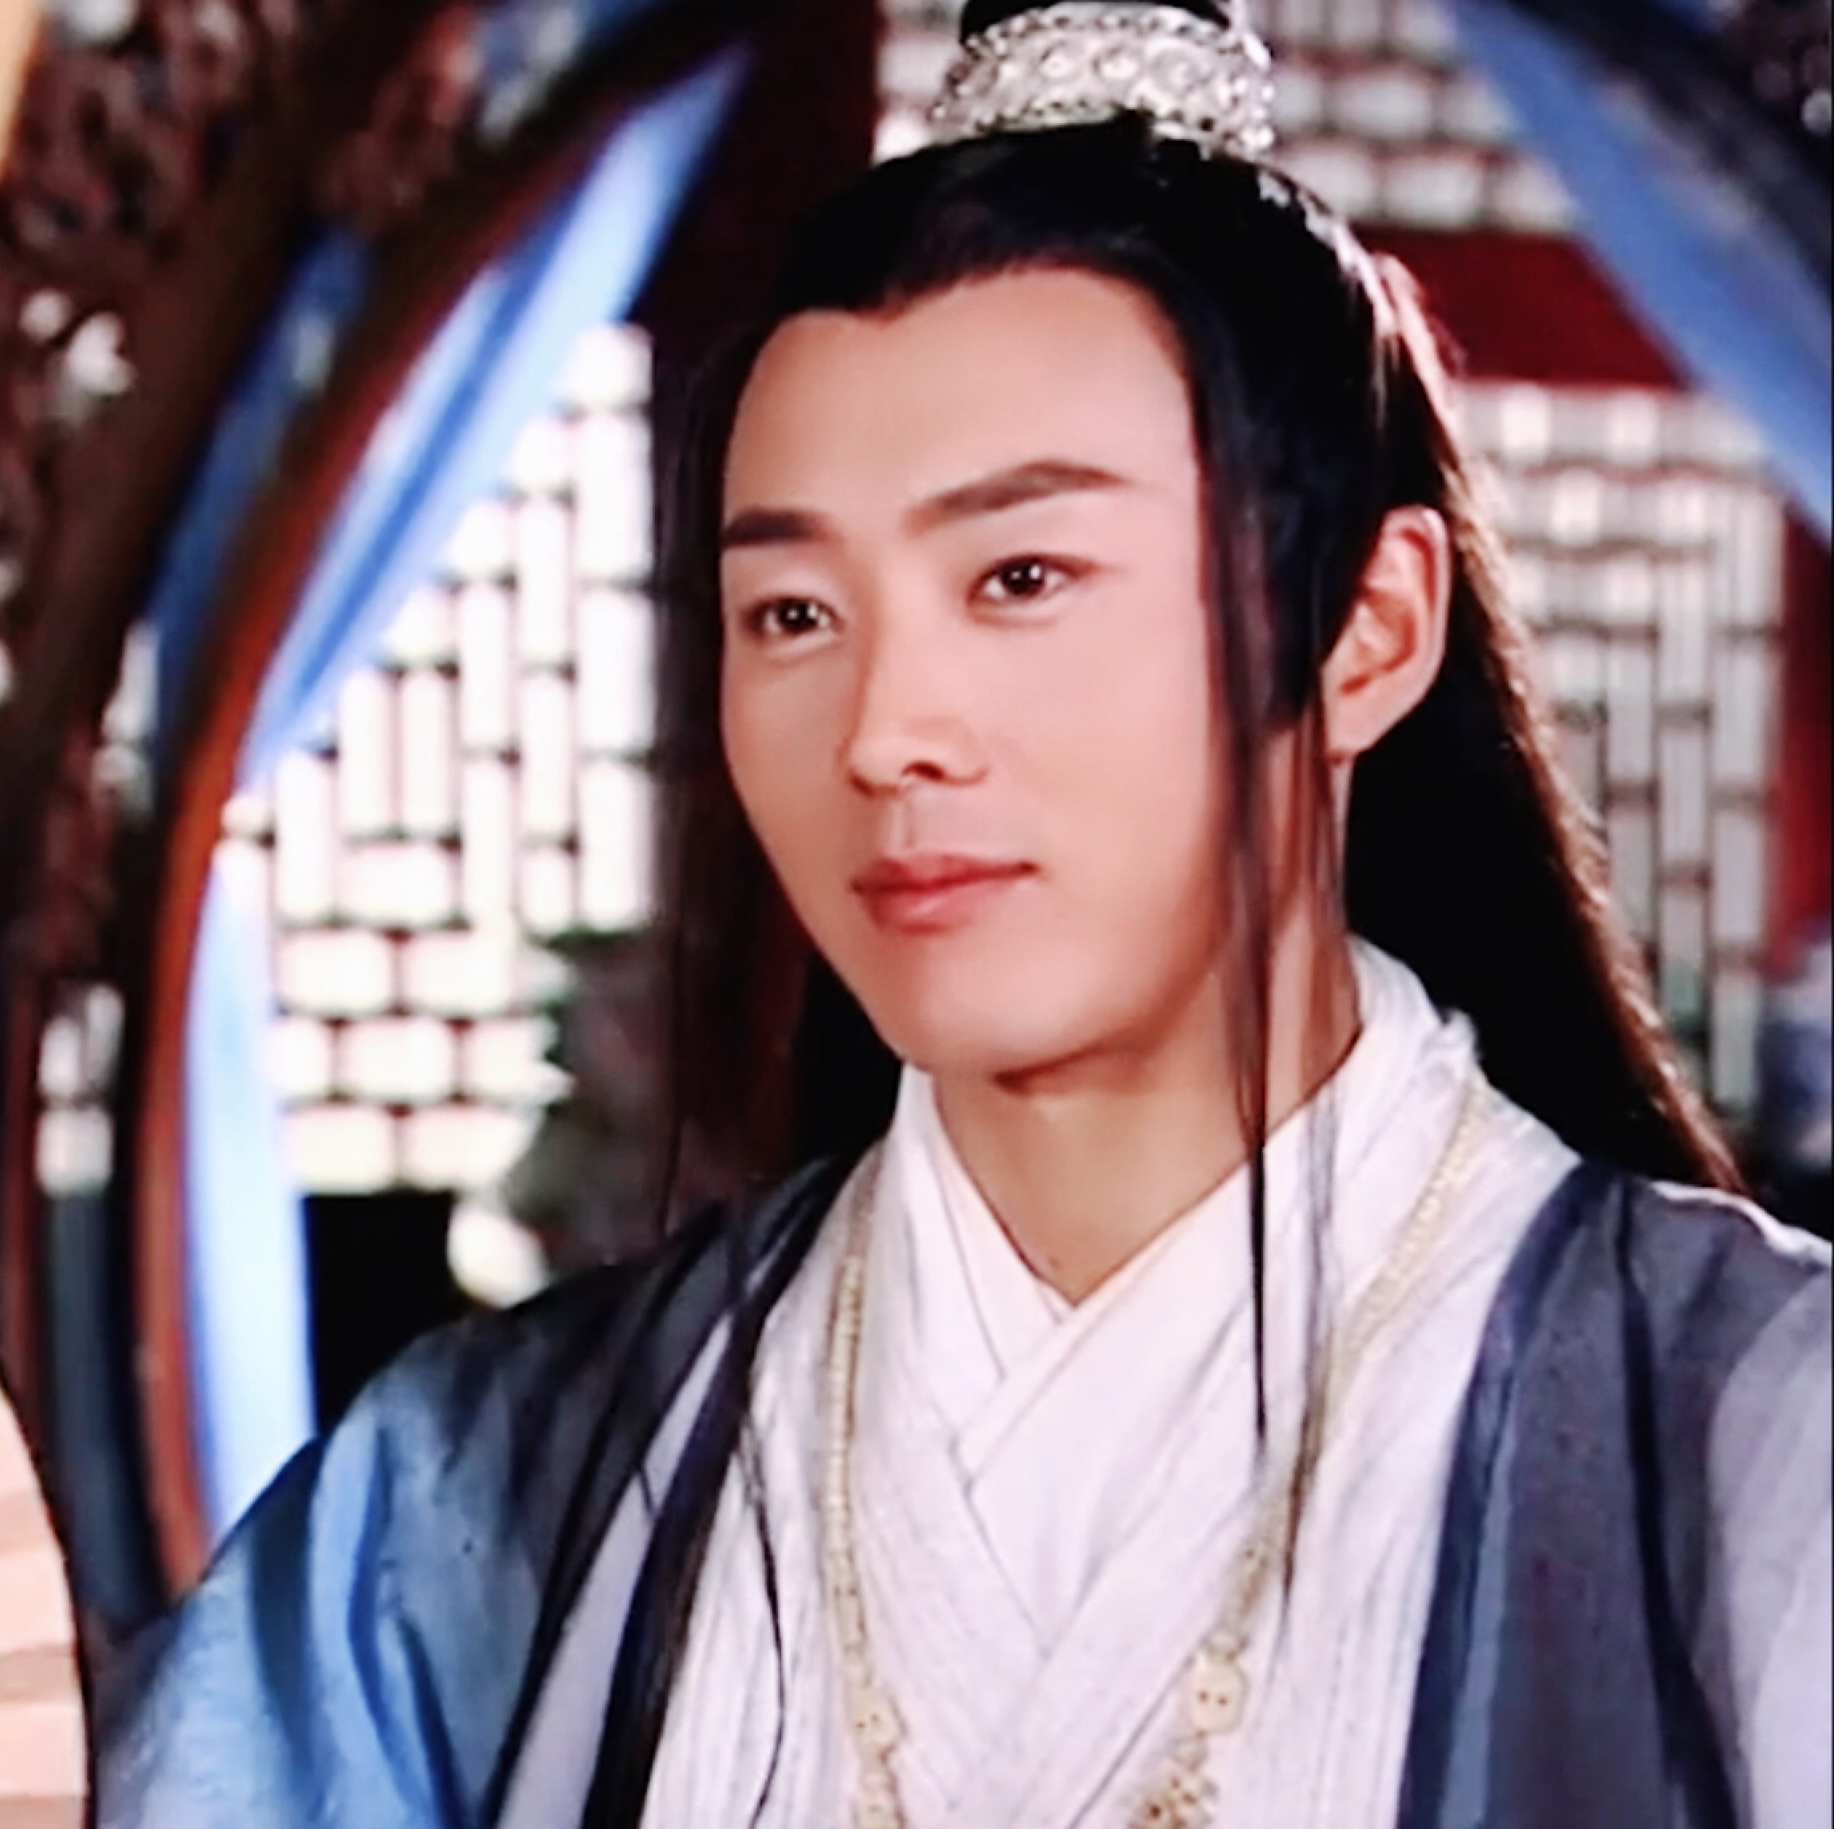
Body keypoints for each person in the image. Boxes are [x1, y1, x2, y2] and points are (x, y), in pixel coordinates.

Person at [93, 0, 1833, 1822]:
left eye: (1020, 575)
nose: (884, 732)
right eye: (793, 614)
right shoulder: (485, 1496)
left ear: (1365, 631)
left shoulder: (1753, 1446)